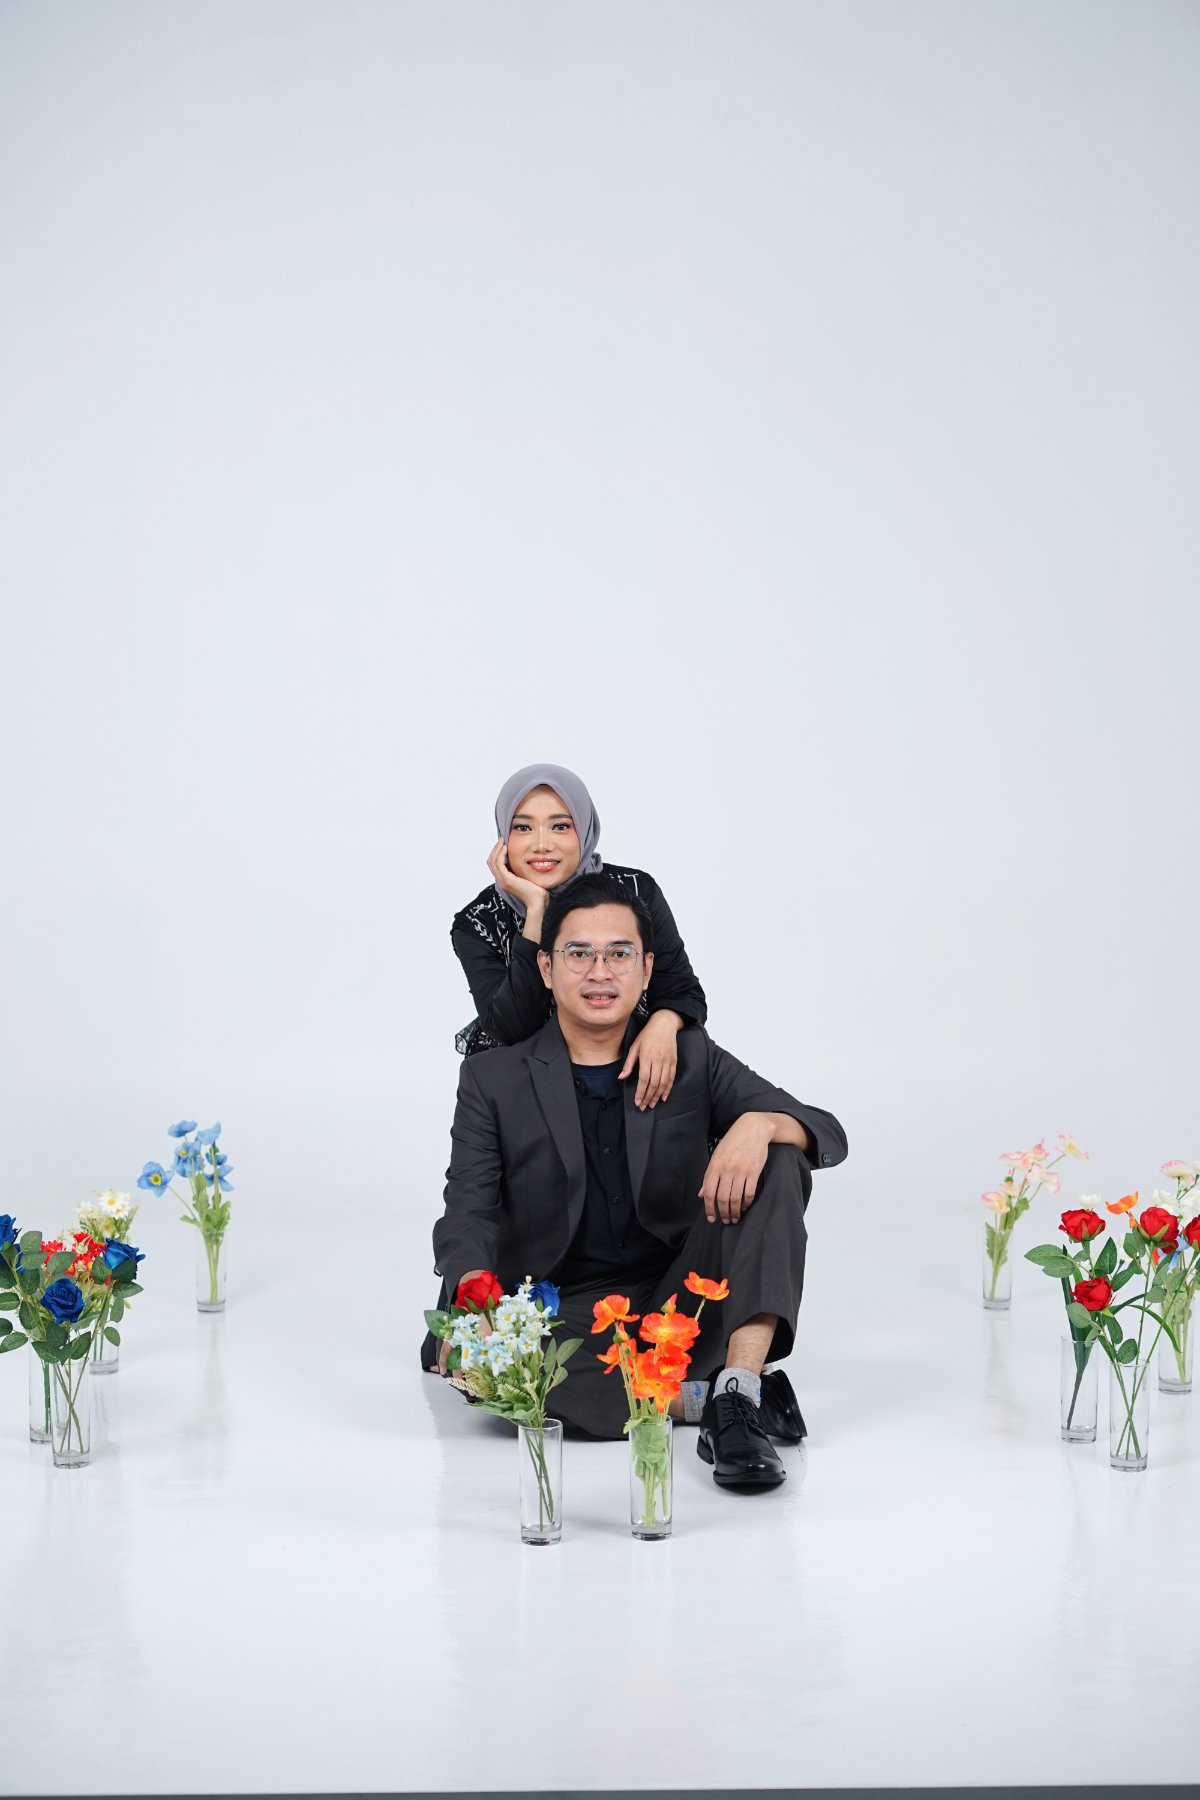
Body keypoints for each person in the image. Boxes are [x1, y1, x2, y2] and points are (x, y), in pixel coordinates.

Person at [433, 874, 848, 1491]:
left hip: (683, 1299)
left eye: (619, 953)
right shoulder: (492, 1078)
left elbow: (826, 1131)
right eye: (579, 953)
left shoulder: (692, 1057)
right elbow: (467, 1208)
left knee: (780, 1156)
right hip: (566, 1314)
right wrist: (475, 1301)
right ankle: (714, 1400)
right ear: (546, 968)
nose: (599, 972)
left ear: (647, 968)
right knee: (486, 1366)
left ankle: (736, 1392)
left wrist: (761, 1124)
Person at [452, 763, 706, 1109]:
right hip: (527, 1090)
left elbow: (683, 990)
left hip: (630, 1071)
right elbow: (512, 1029)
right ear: (503, 838)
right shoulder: (479, 921)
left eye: (560, 826)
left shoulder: (634, 893)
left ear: (584, 828)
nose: (542, 845)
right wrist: (536, 911)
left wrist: (662, 1025)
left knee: (694, 1055)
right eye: (523, 827)